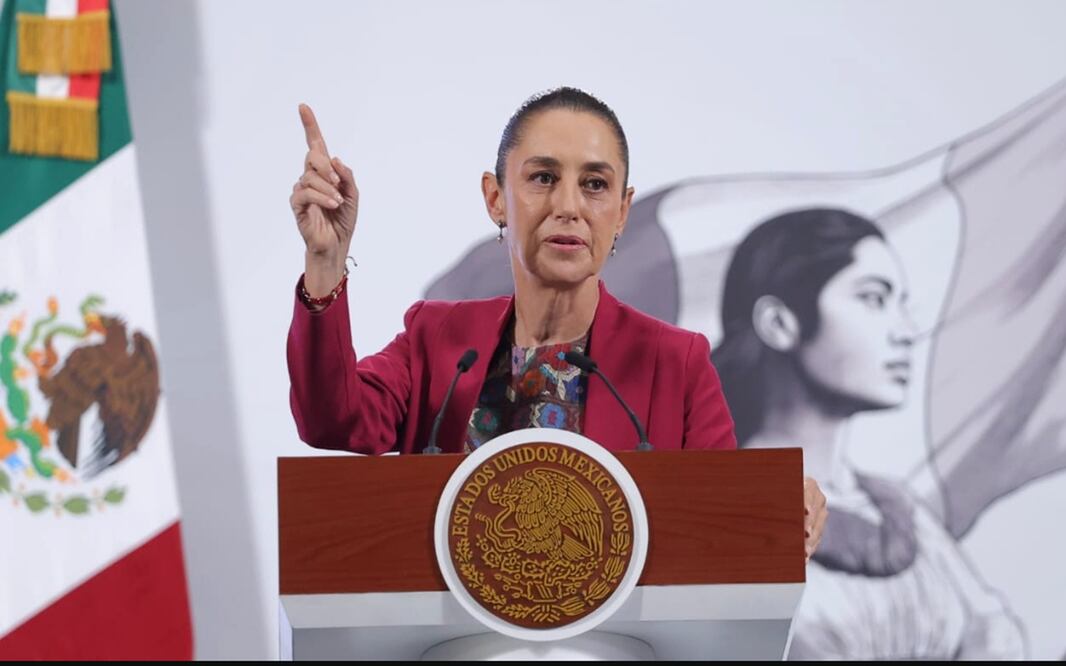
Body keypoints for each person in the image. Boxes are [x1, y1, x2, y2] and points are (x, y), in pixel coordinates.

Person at [285, 87, 827, 558]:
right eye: (543, 177)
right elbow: (331, 419)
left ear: (622, 211)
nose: (569, 206)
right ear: (496, 198)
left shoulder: (677, 362)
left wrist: (774, 504)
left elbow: (719, 524)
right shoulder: (437, 338)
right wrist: (326, 261)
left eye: (595, 184)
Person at [713, 208, 1026, 659]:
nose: (906, 332)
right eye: (874, 299)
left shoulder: (899, 510)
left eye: (902, 303)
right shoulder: (718, 506)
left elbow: (994, 634)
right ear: (780, 324)